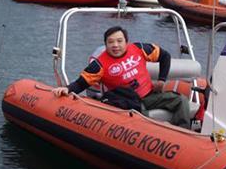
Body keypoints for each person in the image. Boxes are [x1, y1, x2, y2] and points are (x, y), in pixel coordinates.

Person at [52, 26, 191, 128]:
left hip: (150, 95)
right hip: (129, 102)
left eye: (119, 41)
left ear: (126, 41)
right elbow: (81, 83)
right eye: (111, 42)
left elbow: (165, 56)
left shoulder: (139, 49)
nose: (115, 45)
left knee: (181, 100)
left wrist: (161, 80)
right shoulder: (99, 64)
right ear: (106, 44)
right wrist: (67, 89)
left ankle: (184, 132)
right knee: (143, 117)